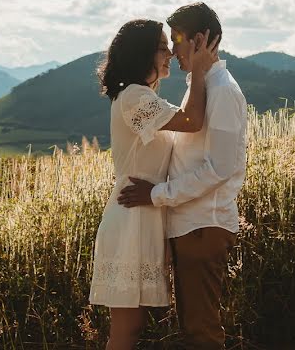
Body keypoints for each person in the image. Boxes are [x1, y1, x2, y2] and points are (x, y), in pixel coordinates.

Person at [118, 2, 247, 350]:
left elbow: (220, 168)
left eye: (177, 41)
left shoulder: (223, 91)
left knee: (202, 332)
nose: (173, 53)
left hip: (203, 225)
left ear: (201, 40)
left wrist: (157, 194)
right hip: (190, 224)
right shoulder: (202, 86)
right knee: (194, 329)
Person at [90, 18, 219, 350]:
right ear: (143, 53)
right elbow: (192, 120)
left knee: (134, 327)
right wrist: (201, 71)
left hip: (145, 213)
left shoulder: (144, 96)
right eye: (163, 47)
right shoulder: (134, 96)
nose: (170, 55)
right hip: (132, 215)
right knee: (126, 329)